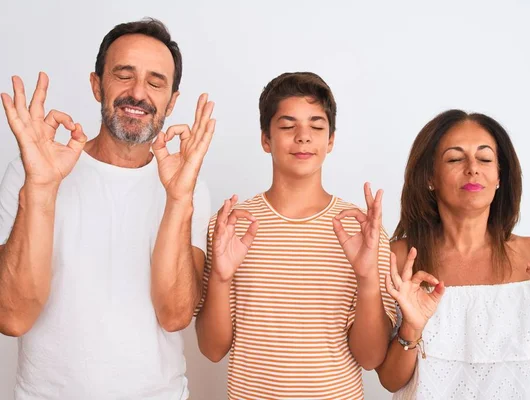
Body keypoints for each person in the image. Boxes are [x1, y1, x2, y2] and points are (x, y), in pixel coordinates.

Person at [0, 18, 215, 399]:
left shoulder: (189, 187)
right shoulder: (31, 173)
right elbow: (11, 317)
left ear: (172, 100)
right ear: (97, 84)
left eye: (155, 82)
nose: (138, 93)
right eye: (123, 74)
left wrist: (179, 199)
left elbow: (176, 314)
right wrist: (41, 189)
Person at [194, 71, 397, 400]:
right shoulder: (231, 226)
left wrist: (367, 277)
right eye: (288, 126)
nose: (303, 136)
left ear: (330, 140)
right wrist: (219, 277)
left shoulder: (364, 231)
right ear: (265, 138)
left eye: (317, 126)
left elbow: (371, 358)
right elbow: (212, 350)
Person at [376, 109, 530, 399]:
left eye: (485, 158)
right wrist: (412, 329)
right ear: (430, 177)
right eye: (455, 158)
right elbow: (390, 381)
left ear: (500, 176)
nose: (472, 168)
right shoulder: (400, 258)